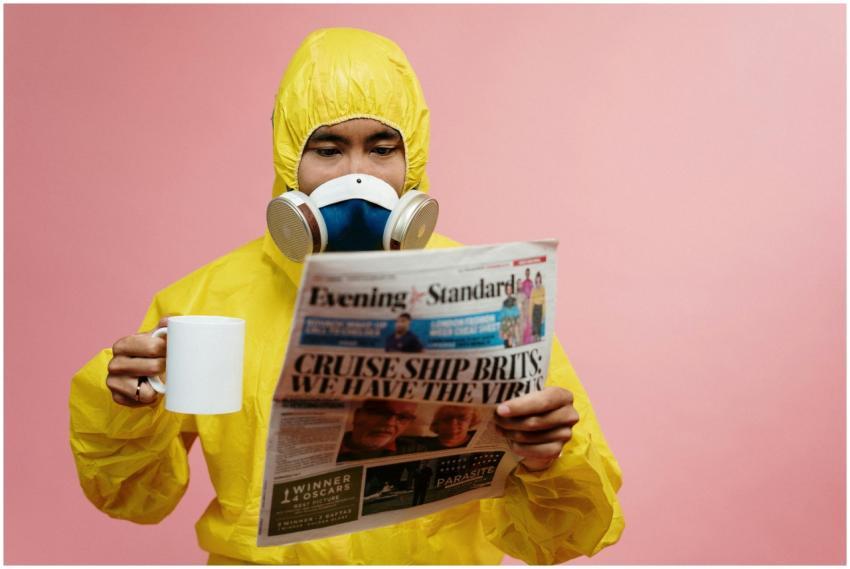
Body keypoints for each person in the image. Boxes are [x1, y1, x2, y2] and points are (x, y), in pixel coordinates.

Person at [69, 28, 624, 564]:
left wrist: (549, 457)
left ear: (413, 164)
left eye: (382, 149)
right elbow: (132, 499)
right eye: (329, 150)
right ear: (289, 160)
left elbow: (565, 536)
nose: (358, 177)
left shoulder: (489, 296)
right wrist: (128, 411)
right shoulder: (202, 301)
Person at [336, 399, 424, 462]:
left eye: (403, 417)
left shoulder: (415, 449)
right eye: (381, 412)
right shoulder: (335, 446)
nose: (390, 423)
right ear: (358, 416)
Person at [531, 271, 546, 341]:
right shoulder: (533, 290)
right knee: (534, 328)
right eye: (536, 281)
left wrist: (543, 315)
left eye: (539, 280)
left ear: (541, 280)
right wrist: (530, 315)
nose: (538, 283)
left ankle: (539, 341)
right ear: (535, 281)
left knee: (539, 328)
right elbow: (531, 303)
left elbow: (544, 303)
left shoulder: (543, 289)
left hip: (540, 309)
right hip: (534, 308)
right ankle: (534, 340)